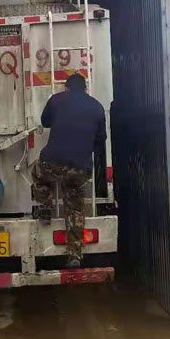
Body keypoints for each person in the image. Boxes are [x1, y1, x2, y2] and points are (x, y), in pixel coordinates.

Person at [32, 73, 106, 267]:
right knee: (75, 208)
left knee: (38, 173)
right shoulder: (97, 107)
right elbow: (101, 141)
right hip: (80, 168)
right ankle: (74, 255)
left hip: (53, 162)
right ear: (85, 88)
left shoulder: (56, 100)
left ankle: (45, 206)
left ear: (66, 87)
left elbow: (45, 122)